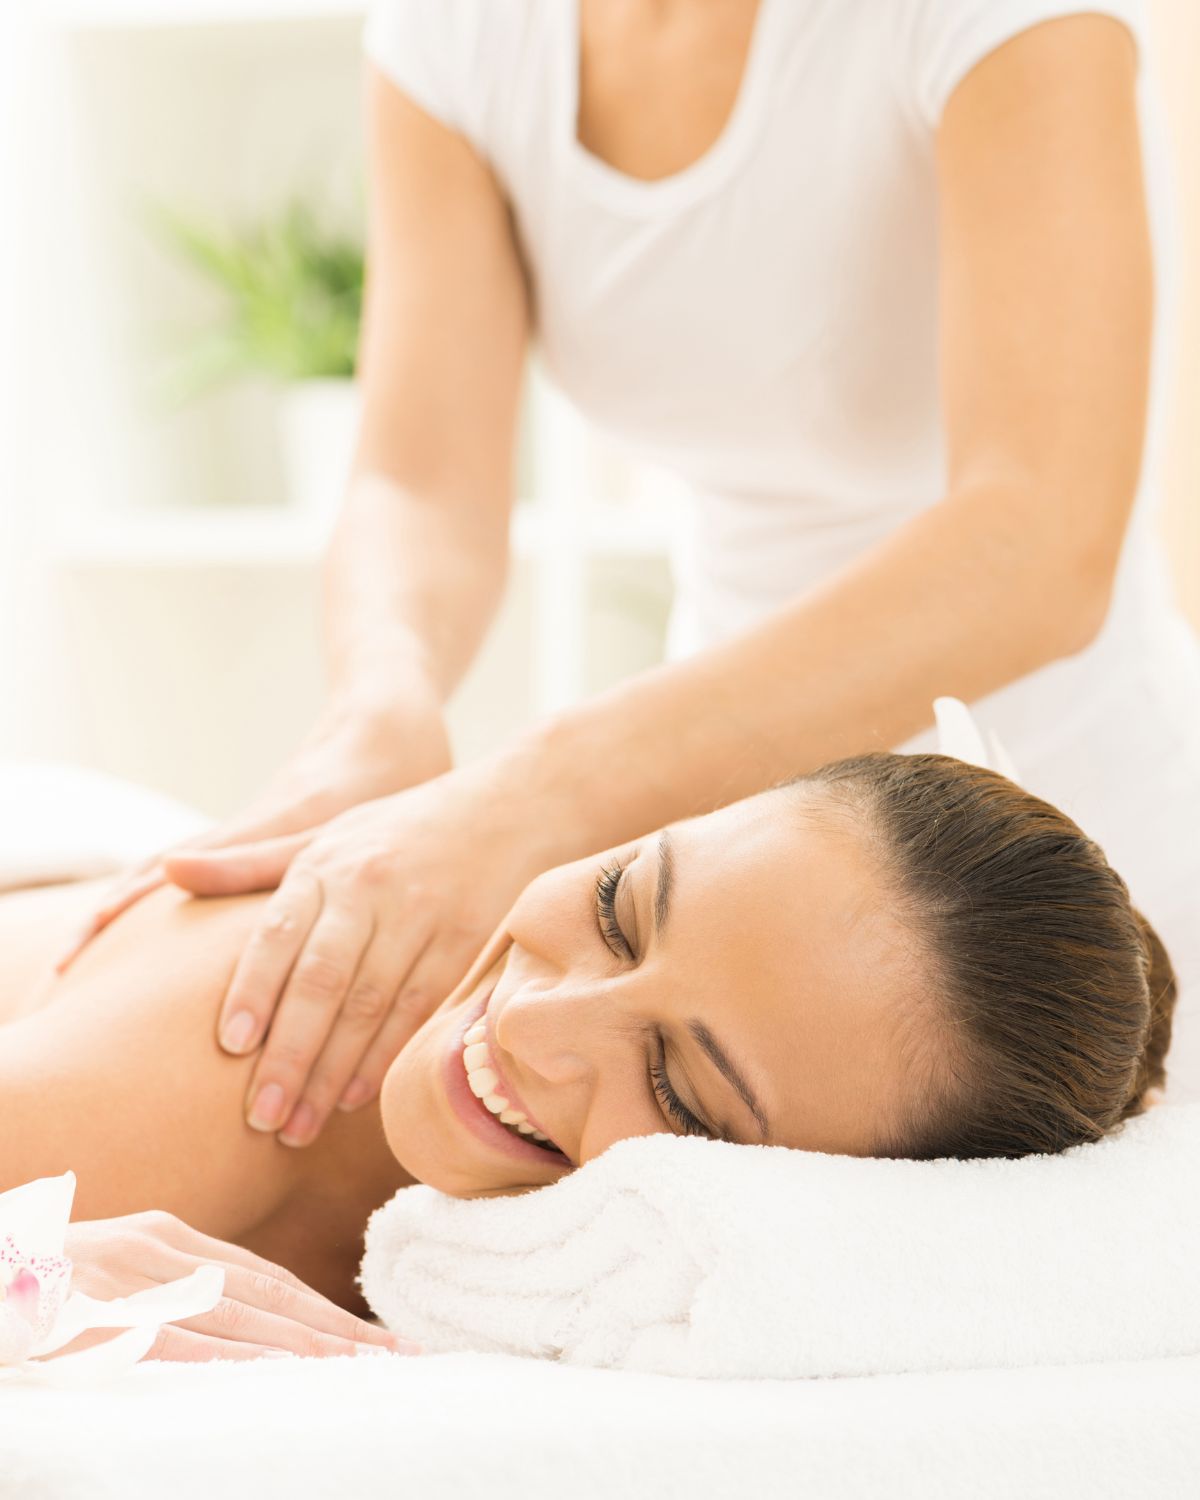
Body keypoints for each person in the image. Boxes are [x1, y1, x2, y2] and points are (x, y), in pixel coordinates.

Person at [61, 1, 1200, 1157]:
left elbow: (1037, 548)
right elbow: (419, 476)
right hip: (723, 831)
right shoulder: (461, 32)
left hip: (1048, 857)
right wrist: (379, 710)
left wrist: (538, 796)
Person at [6, 749, 1176, 1357]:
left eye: (677, 1086)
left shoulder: (643, 1292)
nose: (529, 1026)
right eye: (621, 906)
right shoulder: (251, 1044)